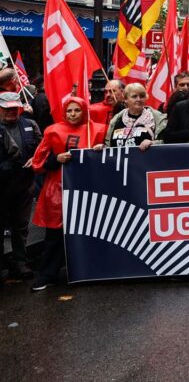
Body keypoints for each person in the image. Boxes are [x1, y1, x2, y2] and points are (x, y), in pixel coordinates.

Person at [30, 96, 104, 290]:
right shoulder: (52, 131)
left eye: (77, 110)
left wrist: (101, 150)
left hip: (88, 190)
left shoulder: (97, 129)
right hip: (57, 192)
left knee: (90, 232)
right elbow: (38, 164)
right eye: (69, 110)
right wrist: (56, 159)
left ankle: (92, 270)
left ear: (84, 110)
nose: (73, 114)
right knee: (54, 237)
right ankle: (47, 275)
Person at [0, 92, 39, 279]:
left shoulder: (30, 124)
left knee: (21, 225)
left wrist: (35, 158)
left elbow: (42, 148)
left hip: (24, 184)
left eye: (14, 108)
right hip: (2, 185)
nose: (11, 112)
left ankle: (20, 263)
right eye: (7, 109)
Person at [103, 84, 166, 150]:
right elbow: (109, 145)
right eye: (134, 96)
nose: (138, 99)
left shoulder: (156, 118)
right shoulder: (116, 120)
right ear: (125, 99)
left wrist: (153, 143)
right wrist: (103, 148)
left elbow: (166, 142)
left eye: (142, 96)